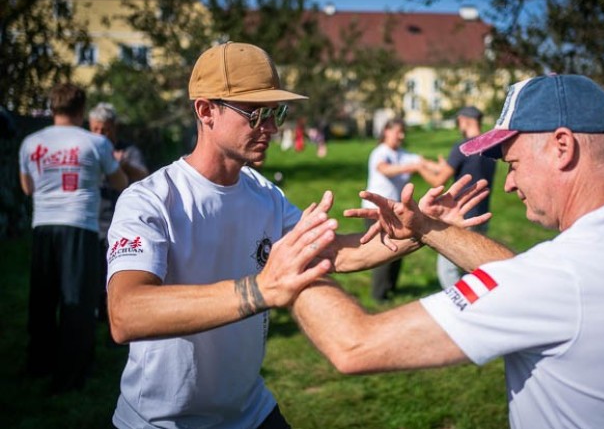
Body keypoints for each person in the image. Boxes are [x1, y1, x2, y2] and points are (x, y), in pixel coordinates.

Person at [291, 74, 604, 428]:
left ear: (562, 147)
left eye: (514, 163)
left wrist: (285, 257)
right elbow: (525, 279)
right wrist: (426, 227)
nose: (508, 183)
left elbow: (355, 345)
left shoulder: (562, 278)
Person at [105, 42, 427, 429]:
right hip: (163, 421)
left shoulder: (265, 194)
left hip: (251, 411)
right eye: (255, 113)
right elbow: (125, 313)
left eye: (276, 112)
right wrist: (260, 290)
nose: (271, 128)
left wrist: (418, 232)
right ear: (205, 110)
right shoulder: (150, 200)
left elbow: (332, 253)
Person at [18, 83, 127, 393]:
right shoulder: (95, 143)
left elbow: (27, 188)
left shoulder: (30, 143)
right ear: (81, 110)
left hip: (43, 225)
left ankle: (39, 362)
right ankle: (71, 372)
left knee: (43, 297)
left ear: (52, 108)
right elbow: (119, 182)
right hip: (80, 225)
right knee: (77, 300)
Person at [362, 118, 441, 302]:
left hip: (396, 211)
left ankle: (392, 288)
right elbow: (385, 169)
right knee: (383, 251)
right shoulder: (380, 152)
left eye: (403, 132)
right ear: (387, 131)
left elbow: (423, 162)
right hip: (376, 211)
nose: (402, 136)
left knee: (398, 250)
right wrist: (412, 167)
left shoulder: (403, 154)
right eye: (398, 132)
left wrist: (443, 167)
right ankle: (379, 295)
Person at [88, 102, 149, 323]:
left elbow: (144, 176)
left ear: (114, 127)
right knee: (92, 275)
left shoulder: (128, 151)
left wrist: (121, 165)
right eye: (95, 129)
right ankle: (96, 315)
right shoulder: (87, 149)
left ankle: (115, 317)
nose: (100, 134)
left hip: (119, 223)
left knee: (114, 274)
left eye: (104, 130)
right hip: (92, 222)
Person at [428, 106, 496, 288]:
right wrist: (445, 165)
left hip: (461, 215)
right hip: (482, 214)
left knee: (448, 269)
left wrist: (418, 167)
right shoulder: (490, 146)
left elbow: (438, 181)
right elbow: (470, 168)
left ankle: (458, 302)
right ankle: (476, 298)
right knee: (471, 266)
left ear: (465, 120)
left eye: (458, 121)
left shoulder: (463, 148)